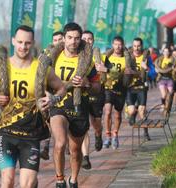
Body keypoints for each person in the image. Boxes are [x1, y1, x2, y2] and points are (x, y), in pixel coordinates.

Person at [0, 25, 66, 188]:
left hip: (31, 134)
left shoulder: (41, 68)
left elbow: (62, 88)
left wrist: (53, 99)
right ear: (13, 42)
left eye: (27, 43)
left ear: (33, 43)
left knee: (28, 184)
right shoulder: (2, 67)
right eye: (20, 42)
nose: (23, 47)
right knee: (7, 180)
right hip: (7, 131)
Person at [46, 22, 100, 187]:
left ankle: (74, 180)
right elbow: (42, 79)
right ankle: (60, 179)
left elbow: (97, 88)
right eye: (69, 38)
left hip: (79, 107)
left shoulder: (87, 61)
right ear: (63, 38)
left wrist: (87, 83)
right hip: (59, 105)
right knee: (60, 143)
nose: (73, 42)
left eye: (77, 38)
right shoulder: (54, 58)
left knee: (75, 152)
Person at [95, 36, 133, 150]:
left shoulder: (128, 59)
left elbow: (135, 72)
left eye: (120, 44)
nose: (118, 47)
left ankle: (115, 134)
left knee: (117, 114)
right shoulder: (106, 57)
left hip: (121, 89)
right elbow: (99, 68)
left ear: (123, 45)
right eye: (116, 44)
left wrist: (130, 72)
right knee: (107, 111)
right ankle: (107, 136)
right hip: (108, 88)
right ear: (112, 45)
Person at [81, 30, 104, 170]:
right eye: (85, 39)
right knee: (84, 129)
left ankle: (99, 135)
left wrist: (104, 69)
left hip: (95, 95)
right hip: (82, 97)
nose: (87, 41)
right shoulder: (76, 56)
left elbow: (104, 78)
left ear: (93, 41)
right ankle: (85, 157)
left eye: (90, 39)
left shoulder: (98, 56)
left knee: (96, 124)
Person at [40, 31, 64, 161]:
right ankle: (45, 147)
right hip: (51, 90)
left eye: (60, 39)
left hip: (67, 90)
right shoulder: (45, 54)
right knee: (49, 119)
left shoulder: (70, 53)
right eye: (55, 40)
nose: (58, 42)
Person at [127, 37, 151, 140]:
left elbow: (153, 72)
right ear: (132, 46)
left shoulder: (146, 57)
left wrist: (146, 68)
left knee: (142, 110)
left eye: (138, 46)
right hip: (130, 87)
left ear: (142, 46)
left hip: (141, 87)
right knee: (132, 110)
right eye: (135, 46)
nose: (136, 48)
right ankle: (132, 114)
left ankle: (145, 132)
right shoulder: (127, 57)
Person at [155, 47, 175, 113]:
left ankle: (169, 107)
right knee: (164, 95)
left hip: (170, 79)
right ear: (163, 52)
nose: (166, 53)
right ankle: (163, 106)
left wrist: (173, 69)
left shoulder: (172, 60)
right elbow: (156, 66)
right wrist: (156, 70)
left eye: (167, 51)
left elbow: (175, 68)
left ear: (169, 52)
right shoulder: (159, 59)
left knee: (170, 94)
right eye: (165, 51)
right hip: (161, 79)